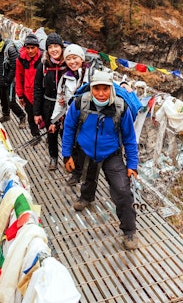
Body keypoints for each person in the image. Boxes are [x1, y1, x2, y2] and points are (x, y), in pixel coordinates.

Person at [61, 69, 140, 251]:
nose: (101, 93)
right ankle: (86, 197)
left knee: (122, 191)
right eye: (97, 89)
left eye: (105, 89)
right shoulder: (81, 103)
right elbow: (69, 128)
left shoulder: (121, 108)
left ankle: (129, 230)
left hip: (111, 153)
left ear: (111, 89)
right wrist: (66, 155)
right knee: (88, 177)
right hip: (85, 150)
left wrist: (132, 165)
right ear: (91, 88)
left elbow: (129, 138)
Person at [51, 44, 90, 184]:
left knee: (85, 148)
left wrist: (123, 84)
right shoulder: (65, 78)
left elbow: (109, 83)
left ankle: (87, 175)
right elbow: (59, 100)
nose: (72, 62)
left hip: (88, 120)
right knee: (72, 147)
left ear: (82, 58)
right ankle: (76, 173)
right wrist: (53, 121)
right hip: (70, 119)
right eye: (68, 59)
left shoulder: (92, 75)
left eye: (75, 58)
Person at [33, 33, 66, 171]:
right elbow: (38, 89)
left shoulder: (68, 64)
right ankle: (53, 157)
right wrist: (37, 112)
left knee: (67, 134)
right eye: (50, 47)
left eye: (56, 46)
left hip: (65, 107)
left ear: (61, 47)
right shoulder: (43, 65)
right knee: (51, 134)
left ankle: (68, 158)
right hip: (49, 105)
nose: (54, 50)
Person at [0, 31, 26, 127]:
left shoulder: (10, 49)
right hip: (0, 78)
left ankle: (22, 116)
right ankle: (6, 115)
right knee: (3, 99)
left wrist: (8, 79)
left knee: (11, 101)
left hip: (10, 81)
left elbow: (15, 66)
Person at [15, 33, 43, 141]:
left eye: (33, 48)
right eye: (28, 48)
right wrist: (20, 95)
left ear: (37, 47)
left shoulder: (43, 59)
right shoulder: (21, 59)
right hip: (27, 92)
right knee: (30, 116)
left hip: (41, 92)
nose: (30, 51)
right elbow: (19, 77)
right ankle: (35, 135)